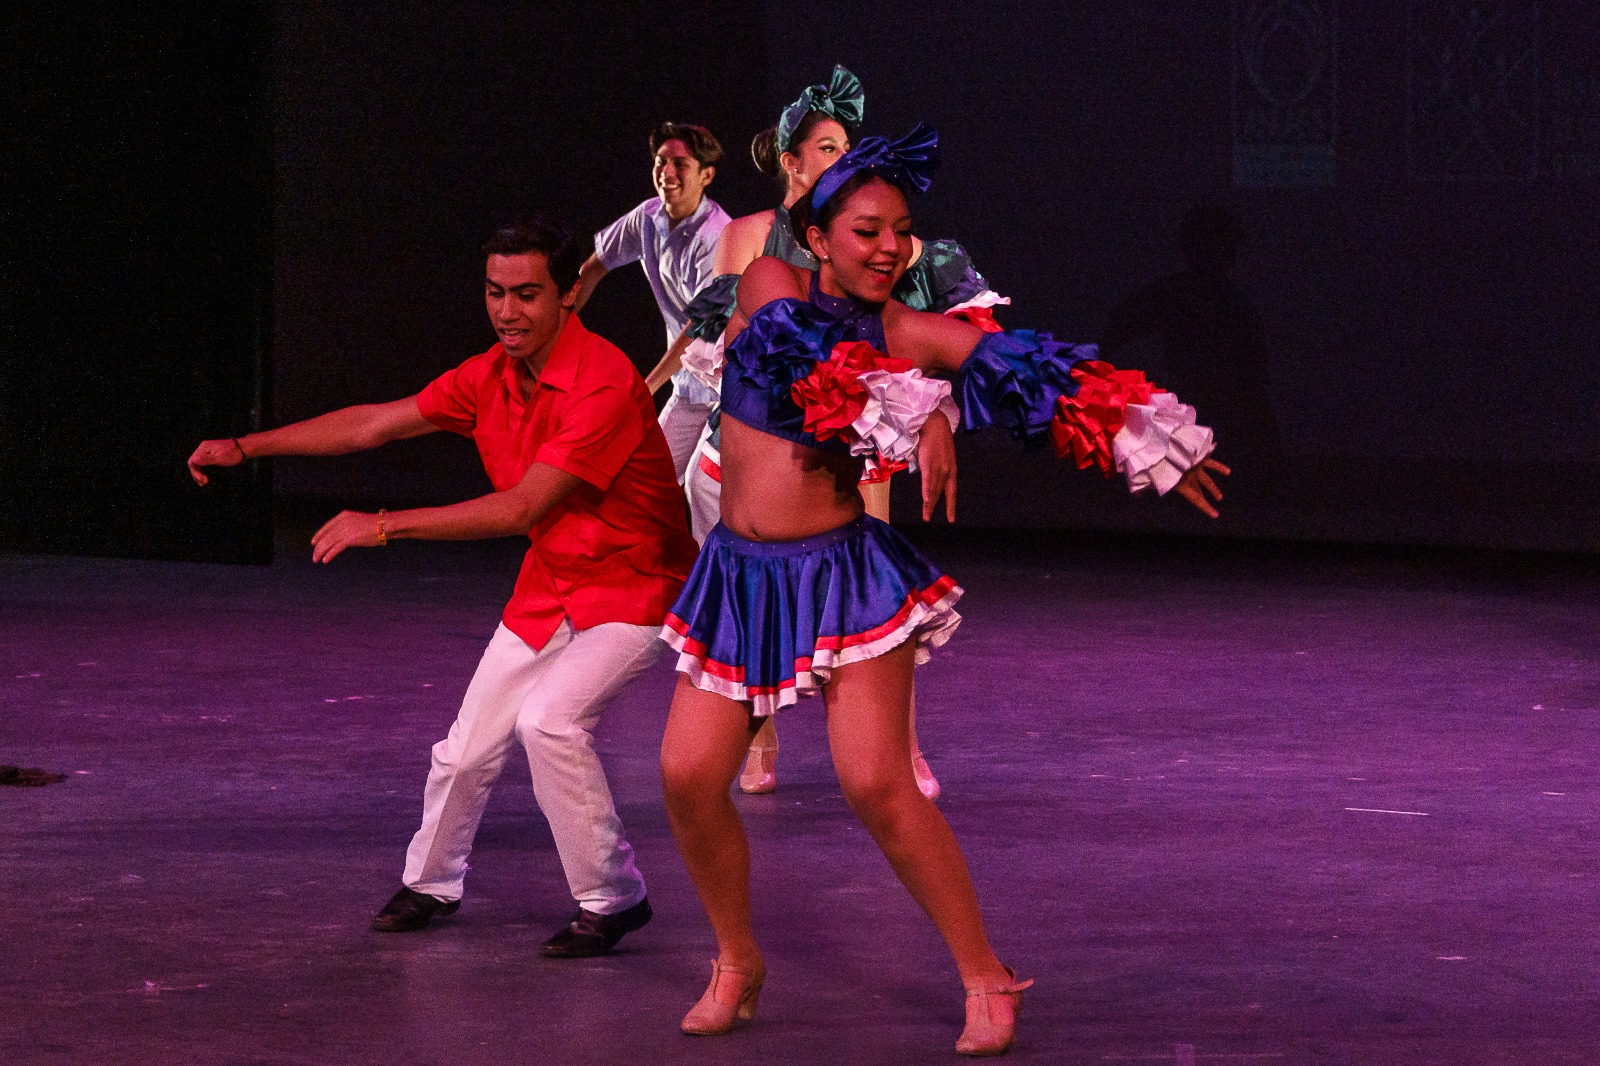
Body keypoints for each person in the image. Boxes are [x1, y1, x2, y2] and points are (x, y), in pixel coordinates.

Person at [656, 128, 1228, 1055]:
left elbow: (1025, 369)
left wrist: (1142, 434)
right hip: (740, 576)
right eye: (868, 230)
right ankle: (736, 959)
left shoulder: (903, 333)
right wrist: (910, 408)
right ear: (819, 234)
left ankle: (984, 973)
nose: (889, 249)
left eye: (902, 233)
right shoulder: (772, 290)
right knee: (686, 776)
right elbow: (801, 360)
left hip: (841, 575)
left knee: (877, 784)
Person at [187, 218, 699, 957]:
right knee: (465, 749)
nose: (507, 312)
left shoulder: (604, 382)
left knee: (549, 722)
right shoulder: (490, 376)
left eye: (527, 295)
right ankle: (432, 882)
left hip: (637, 582)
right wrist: (247, 446)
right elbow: (375, 426)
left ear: (567, 298)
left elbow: (521, 506)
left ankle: (613, 898)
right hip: (554, 578)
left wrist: (386, 524)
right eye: (496, 293)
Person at [675, 65, 997, 798]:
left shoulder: (890, 247)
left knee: (875, 612)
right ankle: (759, 737)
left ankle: (897, 748)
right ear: (792, 164)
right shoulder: (755, 243)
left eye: (846, 146)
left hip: (851, 449)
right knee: (751, 616)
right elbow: (726, 344)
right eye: (824, 148)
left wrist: (937, 414)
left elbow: (964, 337)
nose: (840, 159)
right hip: (754, 449)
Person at [574, 123, 730, 480]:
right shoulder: (646, 217)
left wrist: (645, 389)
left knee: (701, 488)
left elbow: (699, 328)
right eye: (661, 162)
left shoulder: (716, 235)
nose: (667, 173)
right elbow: (592, 269)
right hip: (690, 388)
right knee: (643, 483)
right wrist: (554, 332)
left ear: (707, 175)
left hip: (730, 391)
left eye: (680, 164)